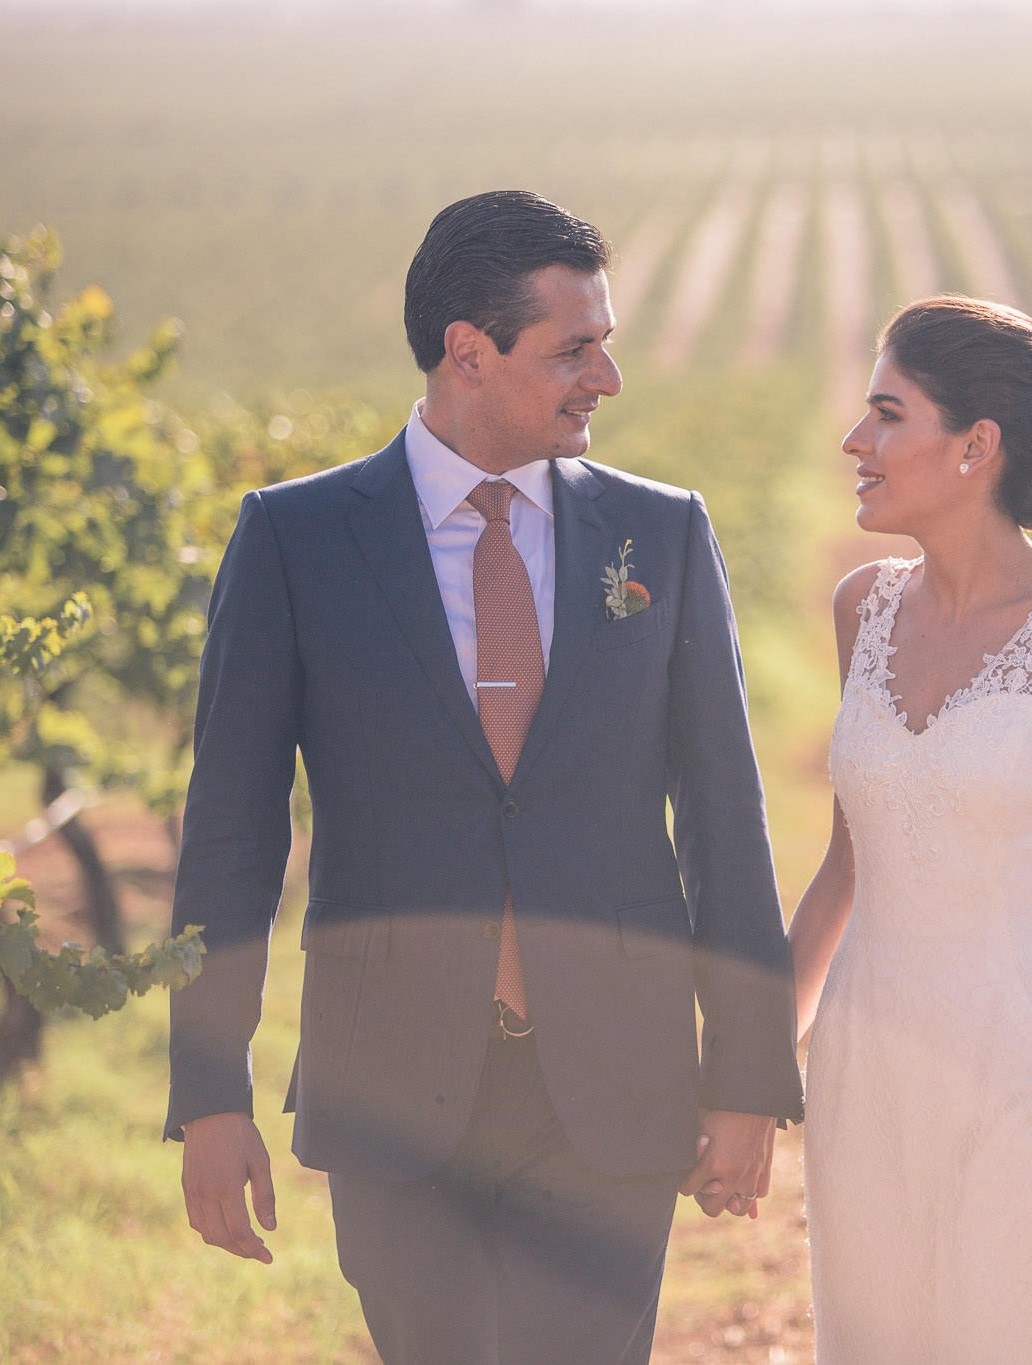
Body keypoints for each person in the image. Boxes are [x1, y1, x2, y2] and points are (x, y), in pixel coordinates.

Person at [165, 190, 803, 1365]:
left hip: (614, 1087)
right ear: (469, 352)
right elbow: (229, 840)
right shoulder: (295, 540)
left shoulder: (657, 536)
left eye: (603, 345)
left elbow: (725, 821)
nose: (604, 378)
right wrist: (210, 1096)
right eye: (575, 348)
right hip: (390, 1092)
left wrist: (748, 1079)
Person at [790, 295, 1032, 1362]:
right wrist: (757, 1057)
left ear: (975, 447)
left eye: (886, 414)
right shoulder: (860, 605)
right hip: (867, 1071)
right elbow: (843, 869)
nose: (855, 442)